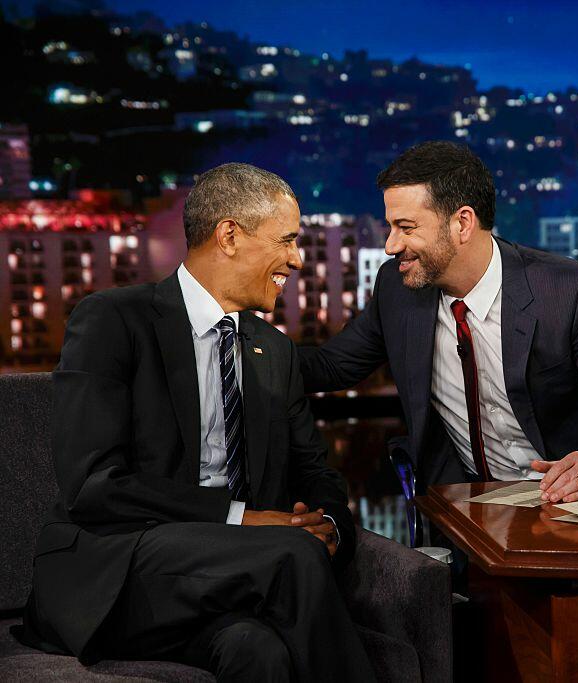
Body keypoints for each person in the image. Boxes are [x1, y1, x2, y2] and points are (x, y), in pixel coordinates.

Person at [14, 163, 374, 681]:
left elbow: (316, 472)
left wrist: (332, 526)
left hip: (223, 581)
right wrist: (240, 518)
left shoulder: (274, 351)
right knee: (292, 555)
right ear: (229, 234)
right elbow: (92, 486)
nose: (297, 259)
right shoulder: (112, 320)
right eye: (287, 240)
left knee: (258, 652)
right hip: (120, 569)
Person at [300, 141, 578, 503]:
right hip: (468, 506)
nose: (390, 246)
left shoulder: (567, 291)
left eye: (405, 227)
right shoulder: (397, 288)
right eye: (390, 227)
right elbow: (330, 366)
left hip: (569, 503)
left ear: (462, 223)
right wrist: (240, 340)